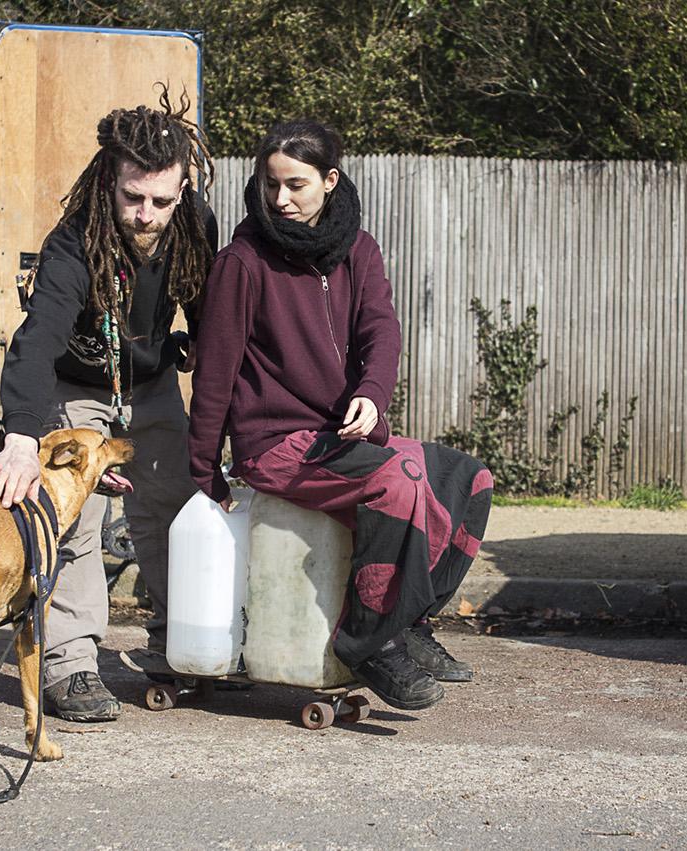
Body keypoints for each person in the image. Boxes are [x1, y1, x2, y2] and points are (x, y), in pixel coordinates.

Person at [187, 120, 493, 710]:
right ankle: (370, 641)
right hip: (275, 444)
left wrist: (373, 394)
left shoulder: (358, 248)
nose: (281, 199)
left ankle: (410, 621)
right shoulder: (242, 262)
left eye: (296, 185)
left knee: (467, 479)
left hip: (341, 436)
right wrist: (205, 473)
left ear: (330, 180)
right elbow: (215, 375)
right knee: (398, 481)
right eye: (271, 184)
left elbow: (381, 329)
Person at [0, 89, 217, 722]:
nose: (146, 215)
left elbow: (206, 304)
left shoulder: (193, 225)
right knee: (77, 522)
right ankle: (70, 666)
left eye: (162, 201)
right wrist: (21, 439)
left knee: (174, 509)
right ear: (109, 180)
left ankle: (184, 646)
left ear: (182, 189)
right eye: (133, 197)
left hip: (150, 384)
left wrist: (202, 347)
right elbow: (37, 340)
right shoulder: (73, 244)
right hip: (78, 389)